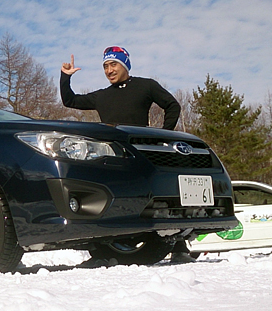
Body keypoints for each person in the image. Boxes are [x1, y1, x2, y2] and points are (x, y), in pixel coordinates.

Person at [60, 46, 195, 265]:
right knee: (112, 201)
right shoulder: (102, 96)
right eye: (105, 66)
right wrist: (65, 78)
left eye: (113, 64)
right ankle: (102, 251)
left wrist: (163, 135)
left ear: (125, 65)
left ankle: (178, 246)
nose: (109, 70)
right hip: (113, 158)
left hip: (142, 155)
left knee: (158, 198)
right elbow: (70, 101)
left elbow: (173, 105)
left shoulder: (145, 85)